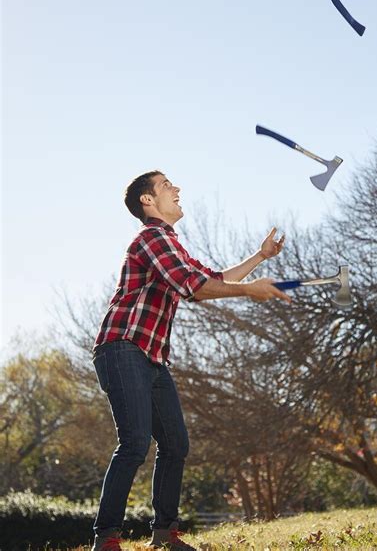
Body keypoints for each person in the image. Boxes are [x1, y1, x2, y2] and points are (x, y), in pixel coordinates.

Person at [91, 170, 290, 551]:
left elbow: (210, 279)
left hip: (150, 355)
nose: (177, 188)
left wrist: (260, 258)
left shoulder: (170, 244)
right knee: (134, 442)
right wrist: (249, 291)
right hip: (122, 348)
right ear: (147, 201)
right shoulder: (151, 238)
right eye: (167, 185)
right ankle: (106, 538)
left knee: (176, 443)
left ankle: (165, 535)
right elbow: (193, 286)